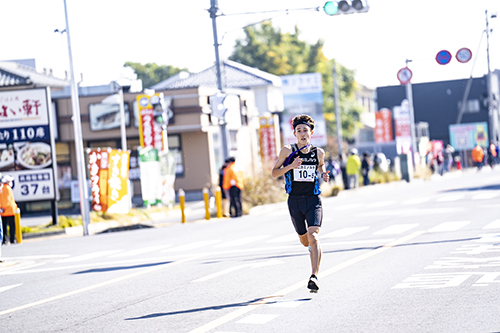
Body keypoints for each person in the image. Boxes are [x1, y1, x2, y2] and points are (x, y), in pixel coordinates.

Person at [272, 114, 329, 292]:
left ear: (311, 132)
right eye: (299, 131)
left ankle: (314, 276)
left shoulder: (319, 152)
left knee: (314, 237)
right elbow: (274, 172)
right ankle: (311, 249)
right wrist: (291, 166)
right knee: (305, 241)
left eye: (305, 130)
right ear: (294, 133)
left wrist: (324, 174)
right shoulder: (287, 151)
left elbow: (321, 166)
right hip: (295, 201)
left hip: (313, 200)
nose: (303, 134)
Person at [0, 175, 18, 245]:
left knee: (3, 226)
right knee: (11, 226)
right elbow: (8, 200)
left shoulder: (1, 188)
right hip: (9, 210)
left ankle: (4, 240)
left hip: (3, 211)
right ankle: (12, 239)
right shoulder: (7, 188)